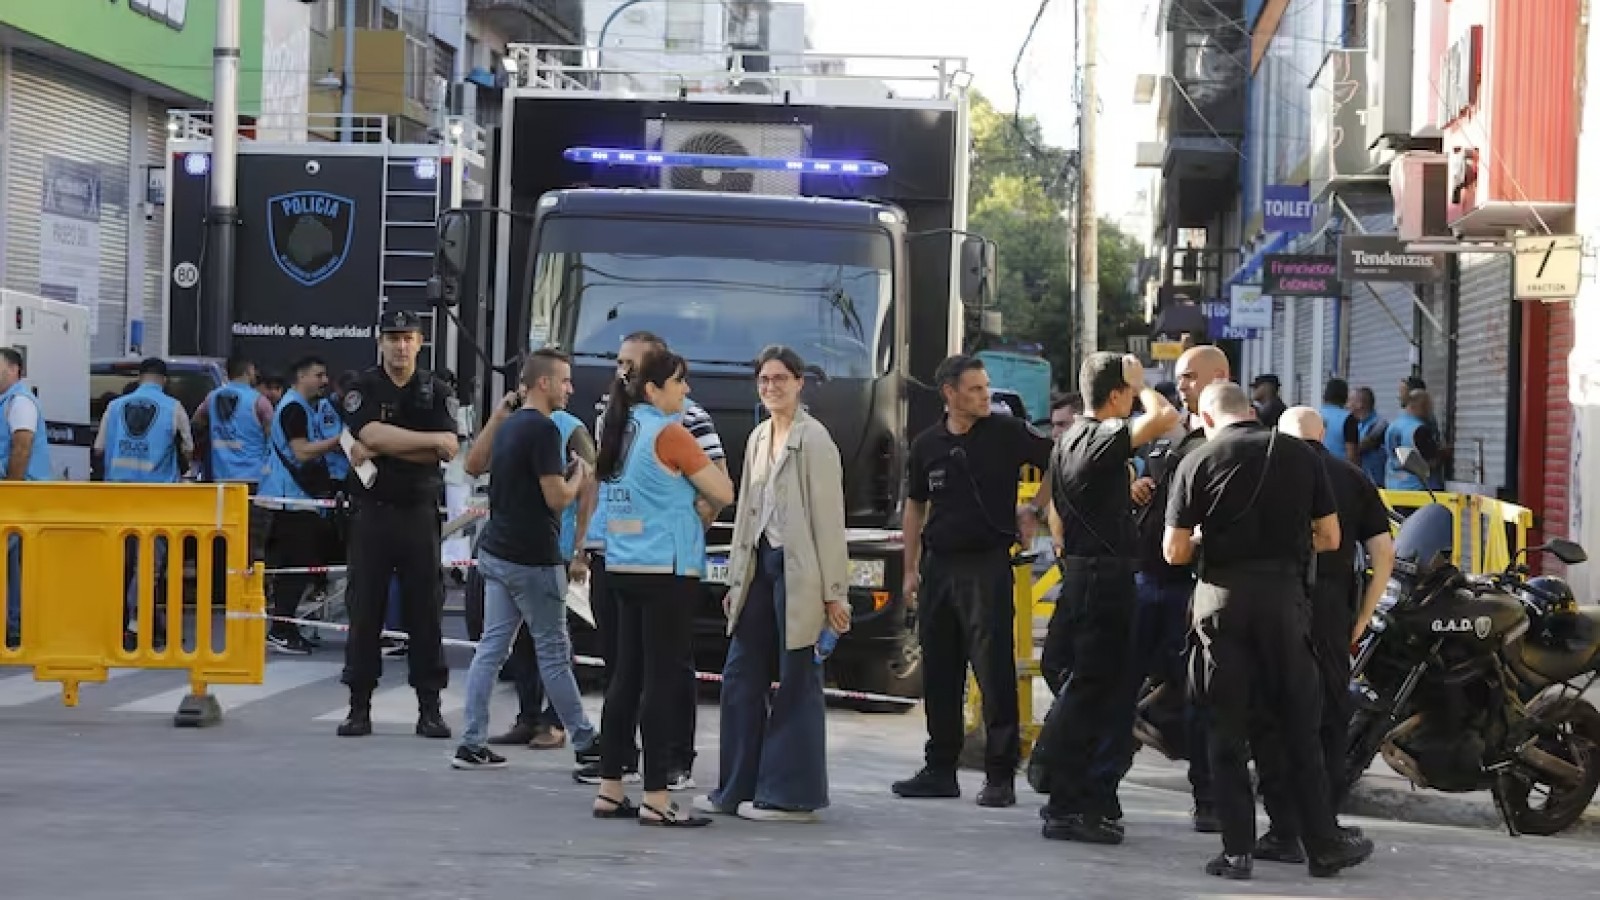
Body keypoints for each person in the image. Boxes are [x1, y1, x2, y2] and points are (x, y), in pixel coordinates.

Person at [1163, 382, 1373, 880]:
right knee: (1300, 725)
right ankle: (1322, 844)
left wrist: (1204, 537)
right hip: (1285, 604)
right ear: (1252, 410)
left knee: (1227, 727)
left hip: (1221, 603)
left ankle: (1237, 852)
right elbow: (1331, 537)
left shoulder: (1199, 460)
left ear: (1209, 418)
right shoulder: (1302, 458)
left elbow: (1173, 552)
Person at [892, 354, 1054, 809]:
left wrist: (1035, 510)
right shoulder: (927, 444)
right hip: (940, 566)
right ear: (950, 394)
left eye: (986, 387)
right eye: (976, 389)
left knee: (993, 668)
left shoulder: (1005, 432)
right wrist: (910, 568)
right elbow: (914, 506)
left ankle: (1000, 775)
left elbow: (1058, 459)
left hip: (987, 565)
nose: (985, 396)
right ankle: (940, 767)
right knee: (941, 670)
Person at [696, 346, 850, 823]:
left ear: (800, 383)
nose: (771, 387)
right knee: (741, 675)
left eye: (781, 379)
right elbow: (746, 513)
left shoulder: (816, 440)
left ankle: (791, 796)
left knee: (798, 678)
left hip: (800, 571)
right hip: (760, 566)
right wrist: (736, 578)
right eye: (764, 380)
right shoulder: (760, 436)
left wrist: (835, 594)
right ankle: (737, 785)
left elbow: (829, 522)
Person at [574, 330, 729, 789]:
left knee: (636, 671)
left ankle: (621, 779)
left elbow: (605, 486)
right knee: (650, 673)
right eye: (680, 382)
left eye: (629, 362)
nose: (686, 392)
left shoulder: (632, 423)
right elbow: (721, 489)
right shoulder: (660, 428)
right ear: (655, 387)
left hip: (626, 559)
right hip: (659, 563)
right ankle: (654, 787)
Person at [1038, 352, 1178, 844]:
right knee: (1095, 692)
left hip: (1081, 573)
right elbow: (1166, 418)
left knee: (1086, 687)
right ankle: (1063, 799)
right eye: (1127, 393)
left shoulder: (1068, 439)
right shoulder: (1099, 435)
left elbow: (1065, 504)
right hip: (1104, 579)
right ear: (1116, 395)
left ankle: (1066, 790)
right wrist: (1144, 385)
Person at [1250, 406, 1397, 864]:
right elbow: (1383, 554)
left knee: (1273, 715)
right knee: (1330, 720)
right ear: (1323, 434)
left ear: (1279, 433)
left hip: (1275, 602)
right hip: (1331, 612)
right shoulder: (1351, 477)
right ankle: (1323, 825)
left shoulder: (1261, 470)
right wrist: (1362, 618)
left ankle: (1281, 828)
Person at [452, 349, 600, 771]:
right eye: (565, 380)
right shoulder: (544, 431)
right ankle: (587, 742)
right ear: (544, 383)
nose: (571, 388)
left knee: (491, 650)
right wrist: (578, 477)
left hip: (496, 551)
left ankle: (472, 740)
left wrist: (498, 415)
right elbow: (556, 498)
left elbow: (475, 465)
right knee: (554, 653)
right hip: (534, 557)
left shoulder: (513, 423)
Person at [335, 310, 460, 739]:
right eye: (393, 338)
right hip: (373, 512)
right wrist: (420, 444)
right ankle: (358, 707)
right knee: (364, 609)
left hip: (418, 513)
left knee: (425, 612)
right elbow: (368, 435)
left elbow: (448, 448)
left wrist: (389, 445)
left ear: (420, 342)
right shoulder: (363, 386)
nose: (400, 346)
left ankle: (430, 708)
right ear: (380, 341)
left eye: (408, 338)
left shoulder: (437, 389)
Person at [1130, 344, 1227, 832]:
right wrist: (1139, 486)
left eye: (1190, 376)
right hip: (1150, 578)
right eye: (1180, 377)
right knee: (1127, 685)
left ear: (1218, 376)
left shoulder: (1228, 440)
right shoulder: (1176, 437)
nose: (1182, 384)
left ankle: (1208, 797)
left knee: (1201, 698)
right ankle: (1096, 792)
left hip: (1196, 590)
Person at [96, 357, 194, 644]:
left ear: (140, 377)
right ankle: (139, 626)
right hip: (157, 498)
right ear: (164, 380)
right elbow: (187, 449)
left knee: (120, 563)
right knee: (150, 566)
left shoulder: (114, 407)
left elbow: (99, 449)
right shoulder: (173, 408)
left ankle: (117, 623)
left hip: (117, 496)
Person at [258, 356, 342, 655]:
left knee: (298, 566)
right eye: (319, 375)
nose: (324, 381)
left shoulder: (303, 408)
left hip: (297, 499)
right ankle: (281, 630)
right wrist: (338, 441)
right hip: (291, 500)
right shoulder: (294, 407)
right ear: (301, 376)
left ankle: (286, 627)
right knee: (294, 568)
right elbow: (302, 452)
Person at [1, 347, 52, 646]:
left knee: (13, 563)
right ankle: (15, 624)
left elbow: (22, 447)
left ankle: (17, 624)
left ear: (14, 370)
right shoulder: (6, 402)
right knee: (13, 566)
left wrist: (11, 491)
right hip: (18, 495)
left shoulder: (20, 401)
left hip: (25, 495)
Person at [1385, 389, 1445, 490]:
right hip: (1418, 488)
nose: (1430, 411)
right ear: (1420, 405)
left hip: (1393, 485)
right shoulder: (1419, 429)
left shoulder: (1393, 425)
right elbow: (1430, 462)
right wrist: (1443, 454)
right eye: (1429, 406)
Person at [1346, 386, 1388, 485]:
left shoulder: (1379, 425)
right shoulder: (1358, 424)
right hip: (1362, 480)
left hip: (1375, 482)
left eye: (1350, 401)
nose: (1347, 405)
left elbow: (1359, 448)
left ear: (1360, 404)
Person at [1318, 378, 1357, 463]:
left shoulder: (1313, 414)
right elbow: (1351, 455)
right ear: (1345, 396)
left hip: (1315, 469)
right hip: (1338, 471)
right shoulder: (1348, 418)